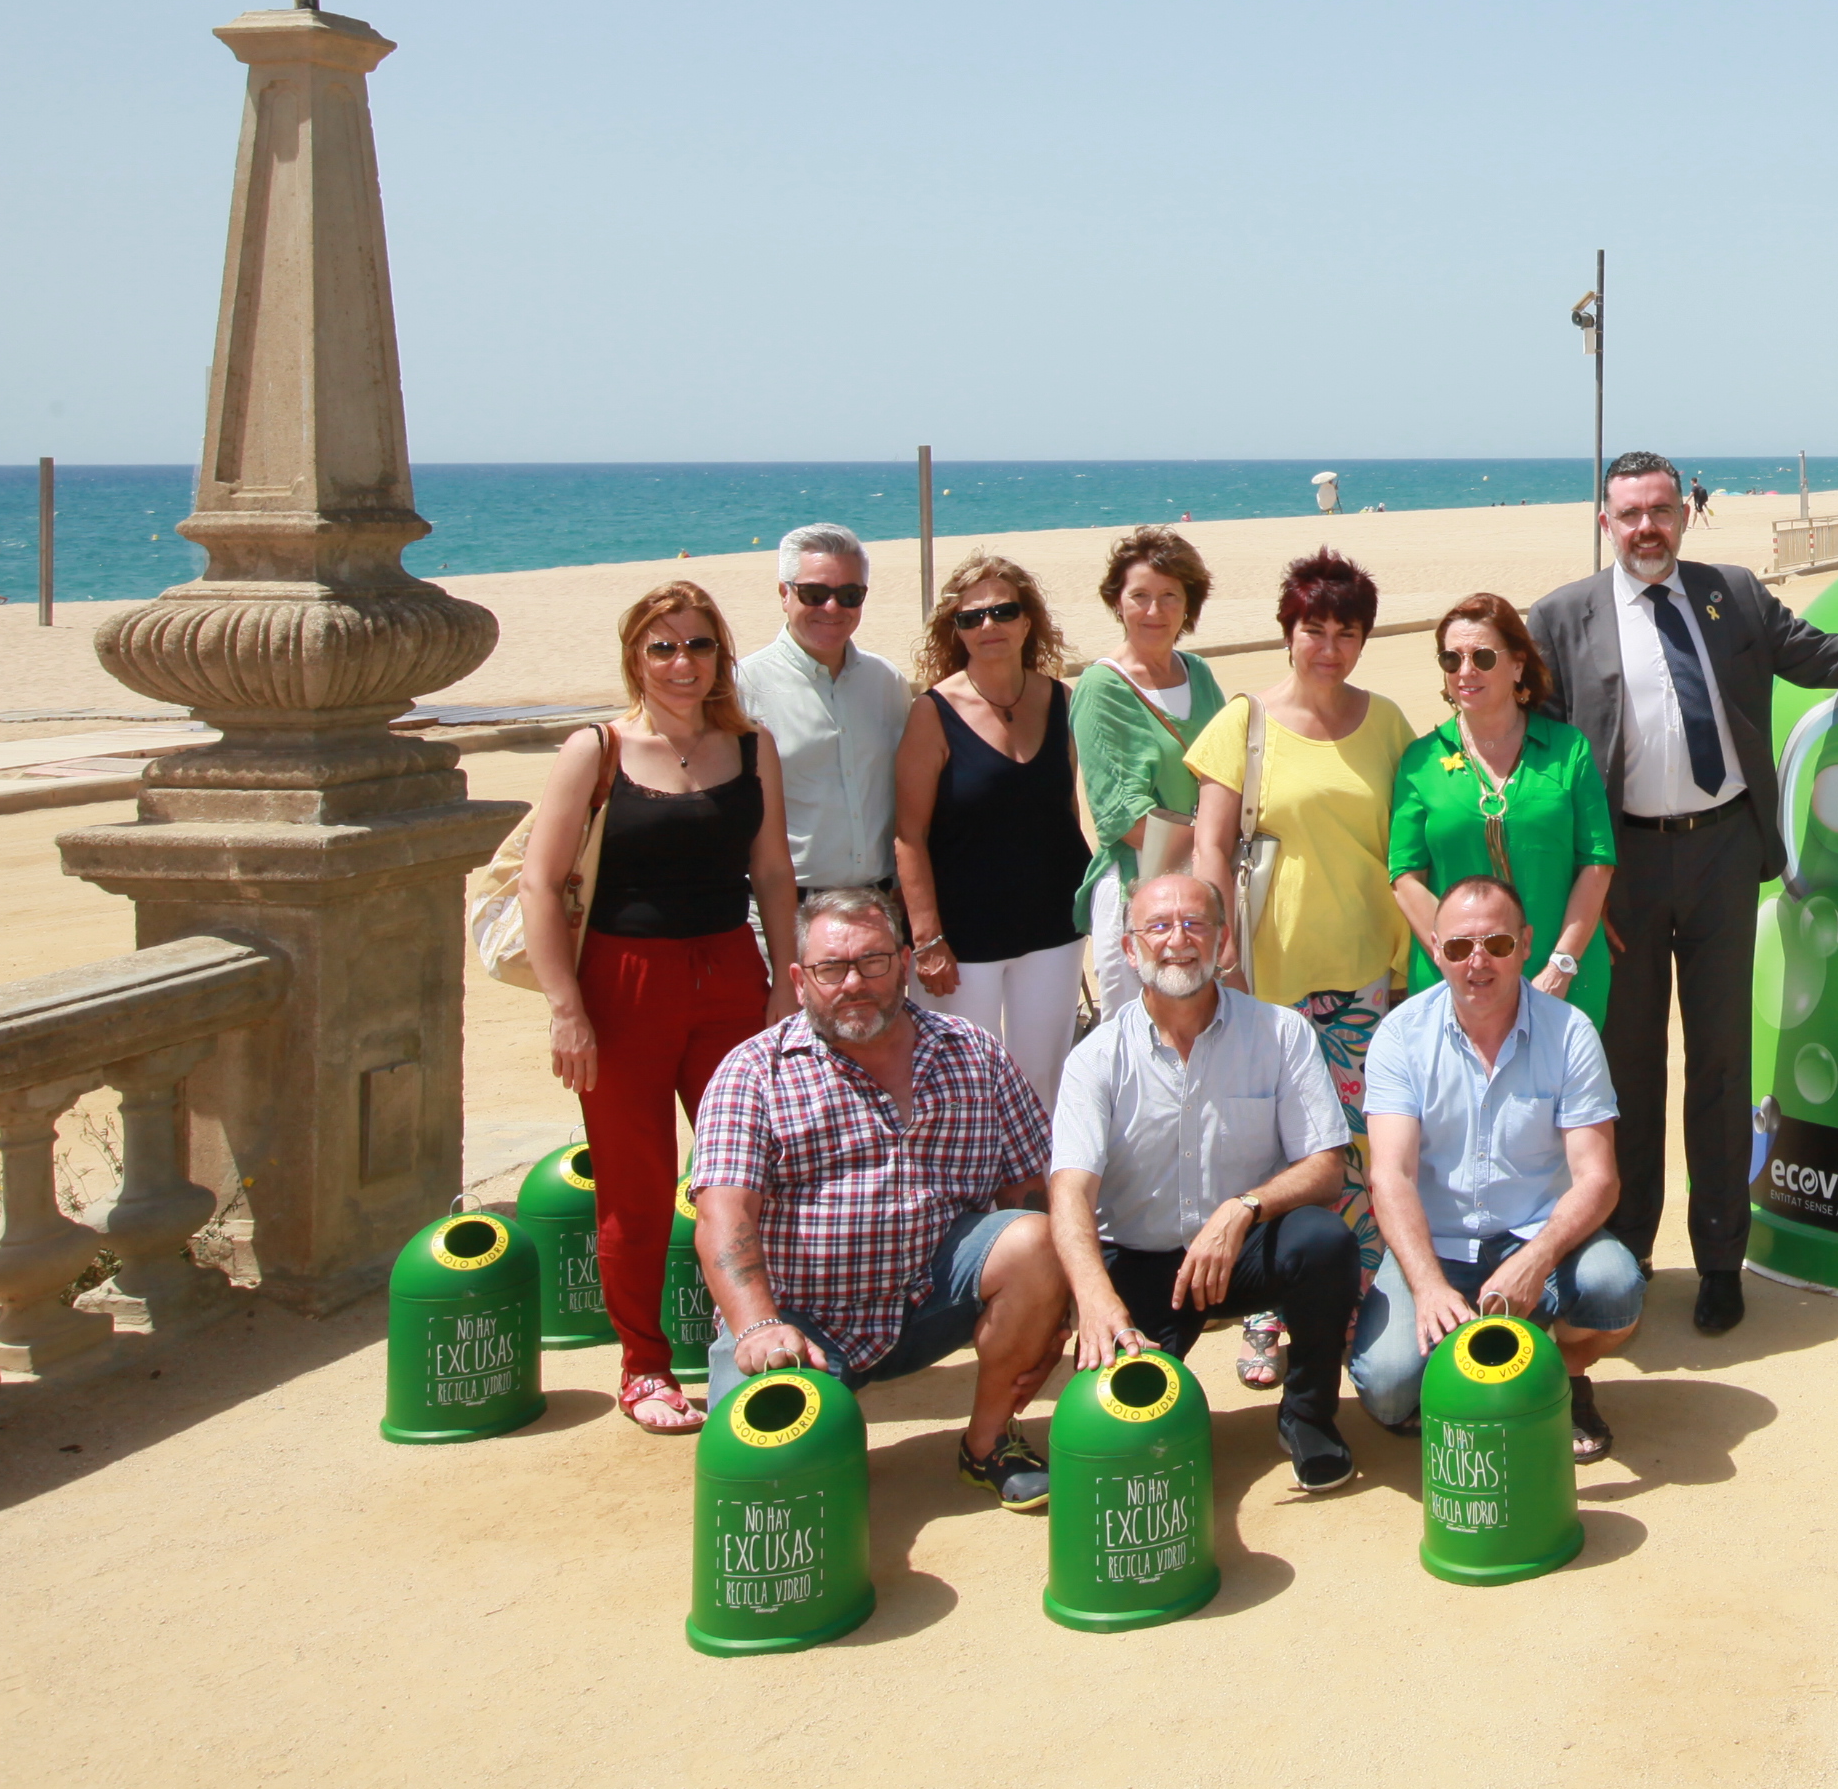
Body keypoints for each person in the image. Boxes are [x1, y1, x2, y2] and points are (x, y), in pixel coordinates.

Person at [1528, 451, 1838, 1337]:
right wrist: (1572, 888)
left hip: (1722, 857)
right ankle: (1627, 1253)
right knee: (1626, 1070)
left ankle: (1718, 1259)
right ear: (1606, 522)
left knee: (1720, 1065)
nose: (1647, 527)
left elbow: (1827, 658)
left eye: (1661, 510)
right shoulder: (1561, 618)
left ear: (1683, 513)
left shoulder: (1731, 595)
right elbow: (1542, 757)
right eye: (1630, 514)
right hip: (1622, 870)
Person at [520, 581, 802, 1434]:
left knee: (751, 1174)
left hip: (730, 974)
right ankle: (643, 1367)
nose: (684, 663)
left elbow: (773, 873)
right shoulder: (596, 749)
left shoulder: (752, 747)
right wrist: (566, 1009)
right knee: (635, 1185)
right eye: (663, 647)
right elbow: (539, 882)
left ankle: (757, 1339)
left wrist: (784, 982)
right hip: (622, 985)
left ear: (721, 654)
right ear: (635, 658)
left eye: (699, 644)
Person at [692, 888, 1072, 1512]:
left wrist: (1053, 1308)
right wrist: (758, 1327)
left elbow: (1029, 1188)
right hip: (799, 1321)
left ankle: (988, 1442)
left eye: (872, 962)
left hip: (930, 1298)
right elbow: (723, 1216)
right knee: (767, 1484)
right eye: (831, 969)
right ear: (799, 980)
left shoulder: (972, 1052)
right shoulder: (753, 1072)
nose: (853, 983)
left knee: (1035, 1242)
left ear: (903, 964)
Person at [1048, 874, 1362, 1490]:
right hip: (1140, 1260)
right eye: (1158, 927)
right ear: (1129, 947)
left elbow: (1327, 1168)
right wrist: (1096, 1296)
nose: (1178, 940)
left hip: (1241, 1250)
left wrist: (1243, 1207)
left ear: (1222, 940)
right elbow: (1070, 1191)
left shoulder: (1281, 1033)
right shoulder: (1095, 1058)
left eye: (1195, 924)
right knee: (1128, 1441)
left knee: (1323, 1241)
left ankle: (1308, 1416)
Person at [1345, 879, 1650, 1460]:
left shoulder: (1570, 1032)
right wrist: (1428, 1286)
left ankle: (1561, 1373)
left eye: (1498, 944)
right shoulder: (1400, 1036)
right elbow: (1390, 1176)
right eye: (1460, 947)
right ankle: (1481, 1364)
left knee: (1616, 1289)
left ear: (1526, 944)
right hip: (1436, 1245)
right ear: (1437, 950)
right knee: (1386, 1389)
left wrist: (1536, 1260)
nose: (1478, 962)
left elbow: (1598, 1178)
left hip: (1536, 1236)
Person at [1185, 550, 1417, 1301]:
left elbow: (1407, 842)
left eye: (1347, 633)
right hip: (1265, 975)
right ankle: (1268, 1307)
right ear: (1288, 632)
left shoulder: (1387, 722)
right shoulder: (1243, 722)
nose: (1329, 647)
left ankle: (1360, 1297)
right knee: (1273, 1149)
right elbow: (1210, 847)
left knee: (1360, 1144)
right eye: (1314, 629)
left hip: (1365, 975)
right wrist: (1223, 957)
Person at [892, 556, 1088, 1114]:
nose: (988, 625)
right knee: (961, 1088)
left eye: (1003, 611)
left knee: (1043, 1081)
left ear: (1027, 621)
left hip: (1053, 926)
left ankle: (1042, 1175)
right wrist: (927, 939)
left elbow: (1065, 810)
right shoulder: (932, 712)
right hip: (961, 939)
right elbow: (908, 834)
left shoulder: (1062, 700)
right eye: (971, 617)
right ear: (955, 631)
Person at [1390, 592, 1617, 1023]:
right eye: (1451, 659)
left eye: (1482, 657)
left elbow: (1597, 863)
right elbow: (1404, 876)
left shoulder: (1569, 750)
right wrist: (1457, 959)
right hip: (1455, 985)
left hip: (1562, 978)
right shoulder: (1420, 760)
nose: (1465, 671)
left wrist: (1562, 964)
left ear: (1517, 664)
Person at [1071, 527, 1231, 1016]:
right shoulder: (1102, 686)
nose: (1153, 611)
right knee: (1137, 1037)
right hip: (1138, 889)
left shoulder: (1198, 672)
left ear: (1189, 605)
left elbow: (1229, 771)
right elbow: (1121, 816)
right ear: (1117, 603)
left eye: (1169, 596)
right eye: (1139, 596)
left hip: (1205, 889)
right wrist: (1213, 846)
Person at [738, 524, 913, 901]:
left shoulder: (886, 681)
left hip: (878, 906)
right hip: (784, 909)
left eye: (849, 595)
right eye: (814, 594)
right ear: (784, 594)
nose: (832, 608)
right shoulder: (742, 688)